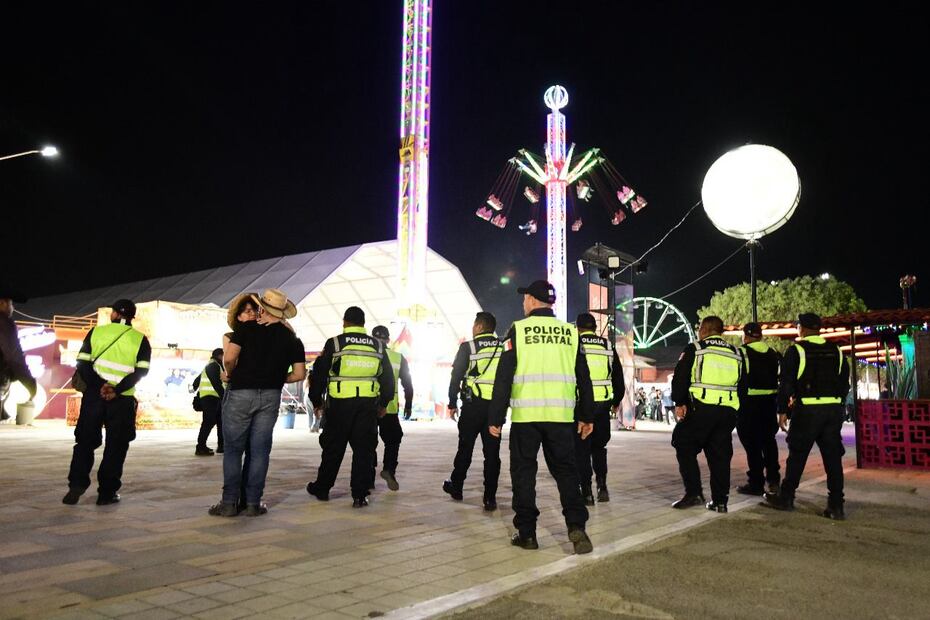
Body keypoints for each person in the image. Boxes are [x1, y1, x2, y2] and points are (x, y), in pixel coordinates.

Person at [488, 280, 595, 554]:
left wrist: (495, 418)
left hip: (527, 417)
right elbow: (584, 377)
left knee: (524, 474)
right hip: (561, 417)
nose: (523, 303)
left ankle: (527, 534)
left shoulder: (518, 331)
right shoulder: (571, 333)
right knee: (567, 472)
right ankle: (576, 527)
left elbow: (503, 378)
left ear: (533, 301)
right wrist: (587, 415)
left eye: (525, 298)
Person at [209, 289, 306, 517]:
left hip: (241, 392)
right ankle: (253, 503)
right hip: (271, 395)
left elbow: (230, 358)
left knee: (233, 450)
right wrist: (277, 377)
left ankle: (229, 503)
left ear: (263, 307)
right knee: (260, 451)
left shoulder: (246, 329)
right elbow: (299, 374)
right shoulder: (291, 338)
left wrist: (230, 373)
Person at [63, 299, 151, 506]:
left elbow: (82, 364)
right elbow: (142, 370)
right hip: (122, 399)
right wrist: (116, 389)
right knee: (116, 446)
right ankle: (106, 493)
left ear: (113, 314)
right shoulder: (140, 340)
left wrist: (99, 386)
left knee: (85, 442)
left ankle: (76, 486)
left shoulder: (96, 332)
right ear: (131, 317)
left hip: (94, 397)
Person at [764, 313, 850, 520]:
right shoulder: (837, 351)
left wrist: (782, 410)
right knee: (832, 458)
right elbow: (844, 383)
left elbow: (785, 383)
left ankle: (787, 497)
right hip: (832, 411)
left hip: (808, 411)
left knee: (798, 455)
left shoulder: (796, 351)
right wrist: (836, 404)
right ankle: (836, 505)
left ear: (800, 328)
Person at [306, 307, 395, 508]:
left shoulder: (335, 343)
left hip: (339, 405)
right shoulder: (378, 346)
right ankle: (359, 495)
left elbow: (319, 374)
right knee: (364, 450)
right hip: (367, 405)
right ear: (364, 324)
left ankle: (322, 488)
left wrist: (317, 401)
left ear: (345, 322)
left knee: (333, 448)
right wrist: (383, 403)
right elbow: (388, 379)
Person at [670, 315, 743, 513]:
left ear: (704, 329)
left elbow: (680, 377)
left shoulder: (696, 348)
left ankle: (694, 492)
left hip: (701, 409)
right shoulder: (736, 353)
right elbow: (742, 384)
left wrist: (679, 402)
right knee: (720, 455)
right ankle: (720, 501)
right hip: (727, 412)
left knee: (682, 443)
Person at [444, 311, 503, 511]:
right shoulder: (503, 347)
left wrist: (452, 403)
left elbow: (456, 377)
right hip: (495, 408)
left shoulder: (468, 347)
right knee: (492, 454)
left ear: (479, 327)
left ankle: (457, 486)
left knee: (465, 448)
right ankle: (490, 497)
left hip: (472, 406)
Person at [572, 312, 625, 505]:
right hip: (602, 405)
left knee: (581, 450)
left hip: (580, 406)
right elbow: (618, 378)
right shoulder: (608, 346)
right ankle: (602, 487)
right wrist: (615, 400)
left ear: (577, 328)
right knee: (599, 448)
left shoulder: (574, 345)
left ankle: (586, 492)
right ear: (595, 327)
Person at [735, 322, 782, 495]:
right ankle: (774, 480)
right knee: (769, 442)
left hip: (748, 404)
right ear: (760, 336)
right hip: (769, 403)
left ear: (745, 336)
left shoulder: (742, 353)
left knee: (752, 444)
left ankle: (756, 482)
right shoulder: (773, 353)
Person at [369, 325, 412, 491]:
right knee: (393, 439)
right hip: (390, 408)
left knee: (367, 442)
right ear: (388, 340)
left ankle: (368, 477)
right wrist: (408, 404)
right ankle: (389, 469)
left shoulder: (368, 354)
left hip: (369, 406)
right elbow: (407, 384)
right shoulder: (398, 357)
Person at [0, 290, 37, 421]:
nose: (12, 308)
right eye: (11, 304)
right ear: (2, 303)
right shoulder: (4, 322)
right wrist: (29, 382)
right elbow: (13, 356)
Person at [193, 348, 226, 456]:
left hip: (213, 398)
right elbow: (216, 383)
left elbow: (195, 382)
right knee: (208, 422)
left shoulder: (210, 365)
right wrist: (225, 396)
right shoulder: (213, 366)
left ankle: (222, 446)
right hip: (210, 398)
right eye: (224, 356)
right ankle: (200, 447)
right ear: (220, 356)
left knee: (220, 422)